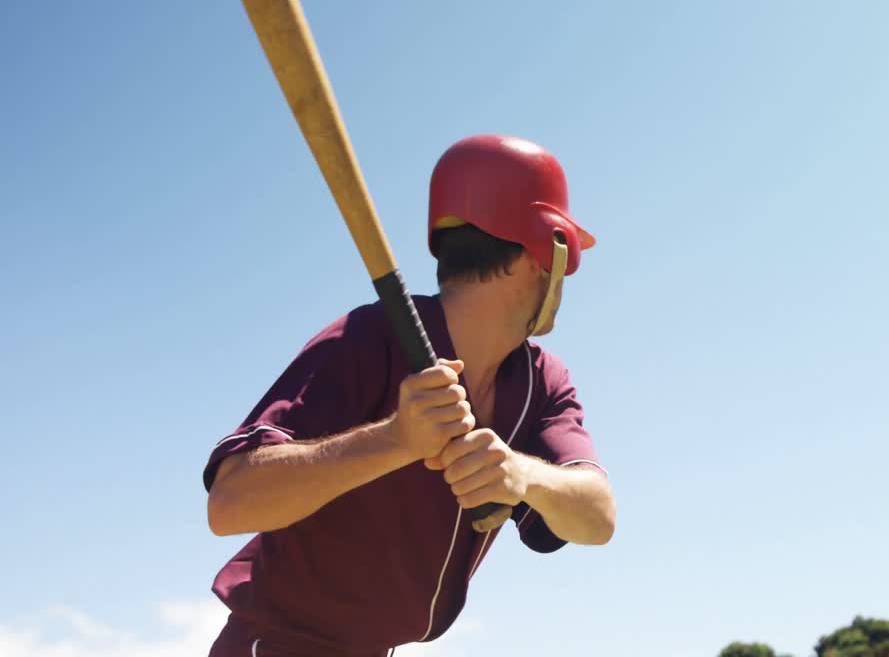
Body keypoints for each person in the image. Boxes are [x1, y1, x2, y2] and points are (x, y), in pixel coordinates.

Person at [203, 135, 615, 657]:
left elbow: (598, 518)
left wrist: (521, 473)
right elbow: (229, 503)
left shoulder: (541, 380)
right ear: (542, 254)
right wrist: (396, 438)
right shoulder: (368, 337)